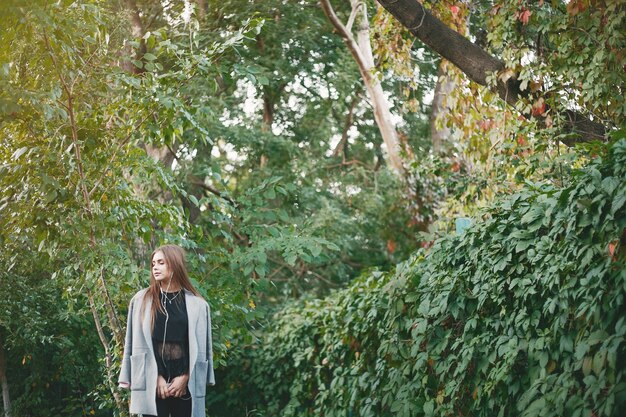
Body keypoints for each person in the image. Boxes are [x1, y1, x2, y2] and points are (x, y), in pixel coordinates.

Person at [118, 244, 215, 417]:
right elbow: (131, 343)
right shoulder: (141, 300)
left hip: (185, 383)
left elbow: (202, 349)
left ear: (174, 264)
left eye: (161, 262)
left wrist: (185, 377)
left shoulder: (198, 305)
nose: (155, 267)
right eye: (153, 263)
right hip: (152, 381)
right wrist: (156, 377)